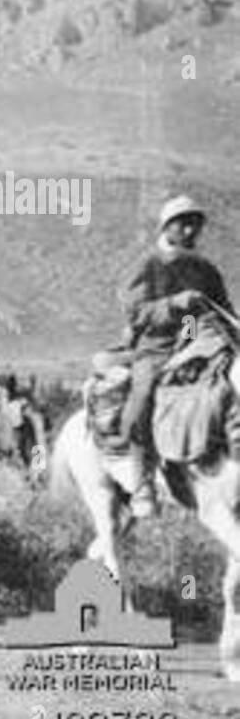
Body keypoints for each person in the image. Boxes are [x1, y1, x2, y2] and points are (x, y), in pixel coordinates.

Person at [115, 195, 234, 517]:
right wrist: (176, 303)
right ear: (167, 226)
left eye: (195, 223)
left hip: (195, 338)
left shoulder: (205, 269)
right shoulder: (148, 264)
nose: (191, 228)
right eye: (184, 222)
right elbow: (135, 312)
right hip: (155, 345)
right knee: (143, 393)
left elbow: (222, 308)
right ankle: (141, 480)